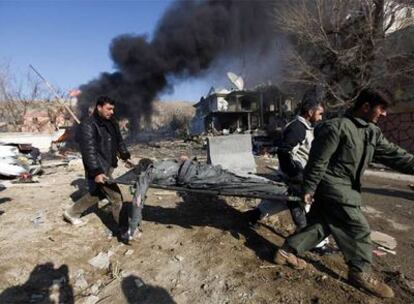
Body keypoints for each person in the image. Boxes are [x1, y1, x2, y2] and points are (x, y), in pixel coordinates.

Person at [274, 88, 414, 298]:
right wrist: (309, 188)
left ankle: (285, 252)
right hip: (333, 187)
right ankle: (360, 272)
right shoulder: (336, 127)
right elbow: (318, 161)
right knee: (358, 228)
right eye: (381, 108)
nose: (384, 114)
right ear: (366, 107)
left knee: (321, 226)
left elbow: (395, 155)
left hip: (345, 187)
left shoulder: (371, 131)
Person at [245, 92, 331, 255]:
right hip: (295, 178)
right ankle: (318, 244)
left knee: (276, 202)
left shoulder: (302, 127)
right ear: (311, 112)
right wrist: (296, 176)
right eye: (320, 114)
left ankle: (253, 216)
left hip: (293, 177)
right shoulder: (297, 128)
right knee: (307, 208)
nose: (320, 118)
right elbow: (284, 152)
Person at [63, 96, 131, 235]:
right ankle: (125, 230)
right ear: (99, 107)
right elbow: (89, 151)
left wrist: (125, 156)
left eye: (113, 109)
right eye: (109, 109)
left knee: (99, 193)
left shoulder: (112, 122)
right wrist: (97, 172)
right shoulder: (88, 125)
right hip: (98, 168)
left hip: (109, 165)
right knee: (116, 197)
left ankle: (71, 213)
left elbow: (119, 141)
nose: (112, 112)